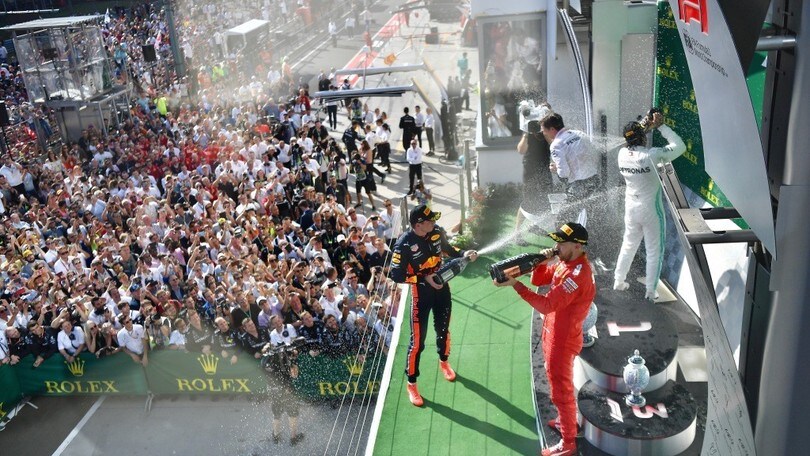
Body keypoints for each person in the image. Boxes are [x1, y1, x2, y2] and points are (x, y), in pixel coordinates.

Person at [493, 222, 595, 456]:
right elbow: (538, 282)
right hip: (554, 333)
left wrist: (515, 285)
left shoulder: (577, 274)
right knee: (556, 384)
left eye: (561, 242)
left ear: (578, 246)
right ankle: (564, 421)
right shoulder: (564, 262)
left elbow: (547, 304)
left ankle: (568, 442)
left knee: (561, 390)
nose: (556, 246)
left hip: (563, 340)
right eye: (555, 241)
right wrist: (540, 262)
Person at [389, 205, 478, 406]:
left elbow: (449, 249)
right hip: (421, 294)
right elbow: (395, 274)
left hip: (442, 288)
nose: (434, 223)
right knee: (417, 342)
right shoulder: (404, 244)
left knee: (444, 329)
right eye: (430, 221)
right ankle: (412, 384)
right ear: (418, 225)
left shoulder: (437, 232)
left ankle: (444, 362)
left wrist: (465, 252)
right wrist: (423, 279)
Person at [613, 110, 686, 301]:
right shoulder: (652, 155)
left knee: (628, 245)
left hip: (631, 208)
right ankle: (651, 292)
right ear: (643, 137)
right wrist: (660, 125)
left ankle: (618, 281)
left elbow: (633, 141)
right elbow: (680, 147)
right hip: (651, 211)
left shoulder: (621, 154)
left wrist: (643, 127)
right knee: (655, 251)